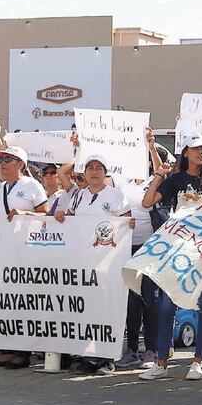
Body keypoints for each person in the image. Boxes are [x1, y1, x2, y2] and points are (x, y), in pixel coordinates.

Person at [138, 134, 202, 381]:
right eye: (196, 149)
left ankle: (197, 361)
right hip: (176, 253)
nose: (201, 153)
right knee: (166, 307)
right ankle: (161, 362)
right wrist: (159, 178)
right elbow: (147, 202)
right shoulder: (175, 180)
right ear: (185, 152)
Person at [55, 153, 131, 375]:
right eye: (90, 168)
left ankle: (107, 357)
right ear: (84, 172)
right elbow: (70, 219)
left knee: (108, 308)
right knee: (87, 308)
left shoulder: (116, 196)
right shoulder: (78, 196)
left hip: (108, 262)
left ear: (105, 173)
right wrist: (62, 215)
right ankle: (89, 355)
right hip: (84, 262)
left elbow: (126, 224)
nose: (94, 171)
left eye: (99, 168)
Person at [0, 146, 47, 370]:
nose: (3, 163)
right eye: (1, 160)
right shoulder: (2, 188)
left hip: (25, 252)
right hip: (2, 253)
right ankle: (8, 347)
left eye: (8, 159)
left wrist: (25, 214)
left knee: (22, 301)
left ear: (21, 164)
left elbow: (45, 214)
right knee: (4, 300)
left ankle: (23, 351)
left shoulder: (31, 185)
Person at [115, 131, 162, 370]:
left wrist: (152, 147)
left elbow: (162, 170)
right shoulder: (121, 181)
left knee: (149, 300)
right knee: (132, 301)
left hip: (150, 247)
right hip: (127, 247)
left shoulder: (153, 181)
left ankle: (152, 350)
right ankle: (132, 348)